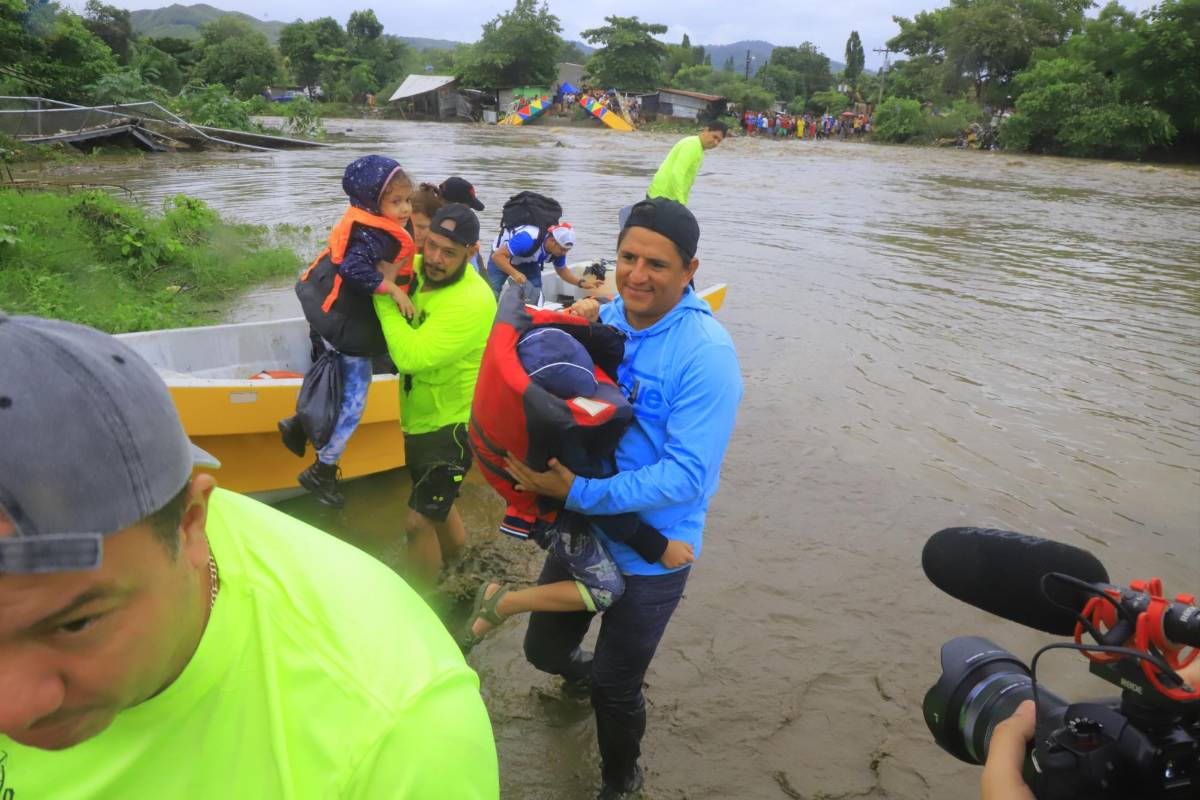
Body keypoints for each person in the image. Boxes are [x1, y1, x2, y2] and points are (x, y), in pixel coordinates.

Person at [0, 312, 498, 798]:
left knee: (424, 519)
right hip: (420, 428)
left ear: (191, 523)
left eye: (76, 624)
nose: (12, 712)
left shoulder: (397, 737)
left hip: (440, 433)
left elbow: (415, 354)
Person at [501, 197, 742, 799]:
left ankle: (619, 779)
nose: (637, 274)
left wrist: (578, 489)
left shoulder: (705, 355)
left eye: (657, 264)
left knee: (617, 688)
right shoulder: (608, 318)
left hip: (656, 551)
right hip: (587, 525)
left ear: (690, 270)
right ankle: (586, 676)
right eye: (628, 257)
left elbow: (687, 475)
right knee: (542, 649)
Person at [372, 203, 496, 588]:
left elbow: (412, 357)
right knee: (438, 509)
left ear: (472, 253)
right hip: (420, 420)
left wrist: (382, 295)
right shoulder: (421, 267)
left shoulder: (472, 301)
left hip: (453, 428)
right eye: (432, 245)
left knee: (417, 522)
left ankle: (424, 603)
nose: (436, 259)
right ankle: (462, 570)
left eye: (450, 253)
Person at [282, 155, 416, 507]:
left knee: (332, 368)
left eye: (408, 201)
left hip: (324, 311)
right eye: (396, 202)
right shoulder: (373, 238)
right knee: (354, 403)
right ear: (372, 201)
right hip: (348, 325)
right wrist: (395, 288)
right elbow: (356, 269)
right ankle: (322, 471)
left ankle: (298, 424)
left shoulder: (366, 222)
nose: (404, 210)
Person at [486, 219, 596, 301]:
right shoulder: (527, 239)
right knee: (492, 293)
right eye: (563, 250)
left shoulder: (559, 249)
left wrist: (581, 283)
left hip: (528, 260)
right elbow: (497, 256)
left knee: (536, 295)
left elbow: (562, 271)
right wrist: (515, 274)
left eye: (567, 250)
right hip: (502, 256)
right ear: (552, 241)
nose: (564, 254)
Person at [646, 119, 727, 207]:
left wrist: (683, 202)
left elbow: (686, 180)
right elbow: (677, 173)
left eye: (719, 141)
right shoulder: (692, 145)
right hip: (662, 198)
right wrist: (681, 203)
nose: (715, 143)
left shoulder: (698, 149)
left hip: (667, 198)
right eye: (714, 137)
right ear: (706, 130)